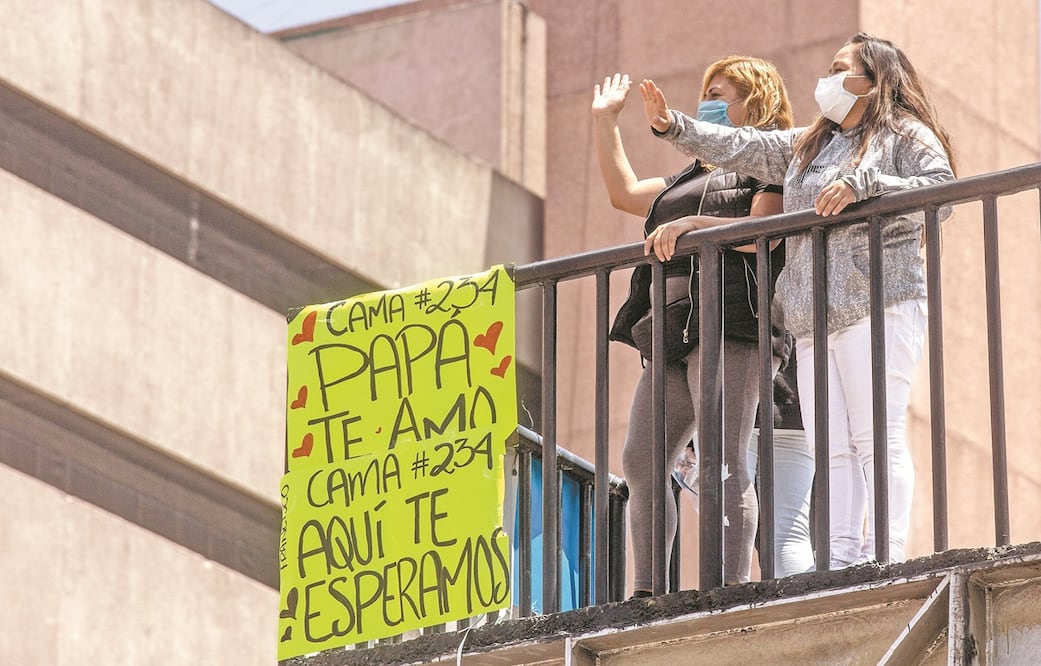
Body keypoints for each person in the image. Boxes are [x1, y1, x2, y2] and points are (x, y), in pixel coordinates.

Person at [642, 33, 955, 569]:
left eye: (840, 70)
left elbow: (940, 190)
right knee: (830, 446)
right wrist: (675, 126)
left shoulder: (904, 132)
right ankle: (838, 559)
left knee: (874, 435)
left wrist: (867, 184)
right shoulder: (812, 143)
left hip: (878, 302)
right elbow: (745, 148)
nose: (827, 80)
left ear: (873, 79)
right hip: (812, 315)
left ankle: (883, 552)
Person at [592, 56, 795, 592]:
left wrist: (691, 226)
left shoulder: (766, 161)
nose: (708, 100)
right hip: (673, 326)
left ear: (757, 100)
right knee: (642, 458)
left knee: (723, 458)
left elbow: (763, 232)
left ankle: (725, 590)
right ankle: (648, 593)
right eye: (706, 91)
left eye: (720, 93)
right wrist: (604, 121)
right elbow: (623, 193)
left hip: (732, 320)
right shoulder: (689, 175)